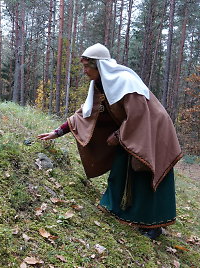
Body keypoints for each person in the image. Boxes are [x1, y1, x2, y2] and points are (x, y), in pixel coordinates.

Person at [37, 43, 182, 239]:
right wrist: (57, 132)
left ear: (99, 66)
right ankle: (120, 210)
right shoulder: (100, 84)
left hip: (152, 131)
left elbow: (139, 116)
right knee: (122, 167)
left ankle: (153, 225)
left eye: (87, 66)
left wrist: (117, 136)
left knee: (145, 170)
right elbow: (84, 114)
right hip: (131, 131)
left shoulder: (125, 82)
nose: (84, 71)